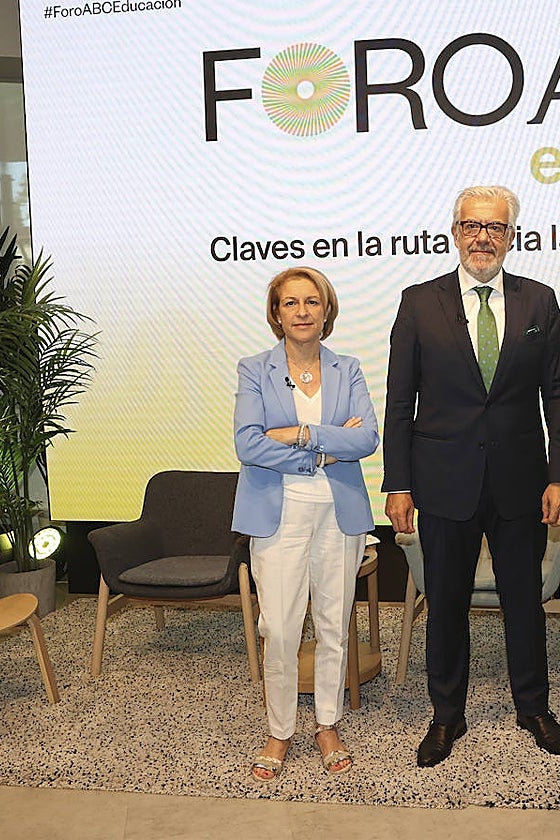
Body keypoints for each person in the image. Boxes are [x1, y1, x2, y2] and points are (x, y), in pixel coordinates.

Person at [383, 185, 560, 767]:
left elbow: (559, 395)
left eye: (494, 227)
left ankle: (533, 706)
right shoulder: (419, 303)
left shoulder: (539, 301)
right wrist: (398, 484)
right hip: (444, 481)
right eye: (472, 225)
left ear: (511, 236)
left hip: (521, 482)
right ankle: (446, 714)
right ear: (455, 232)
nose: (482, 237)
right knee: (445, 604)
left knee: (524, 601)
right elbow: (400, 401)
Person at [232, 266, 380, 781]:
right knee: (279, 627)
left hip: (339, 511)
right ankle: (279, 730)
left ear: (326, 310)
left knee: (334, 622)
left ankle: (327, 724)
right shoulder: (254, 369)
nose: (302, 311)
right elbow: (248, 443)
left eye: (312, 302)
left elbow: (366, 439)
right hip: (278, 512)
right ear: (276, 313)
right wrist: (325, 446)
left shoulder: (348, 368)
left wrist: (298, 434)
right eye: (290, 303)